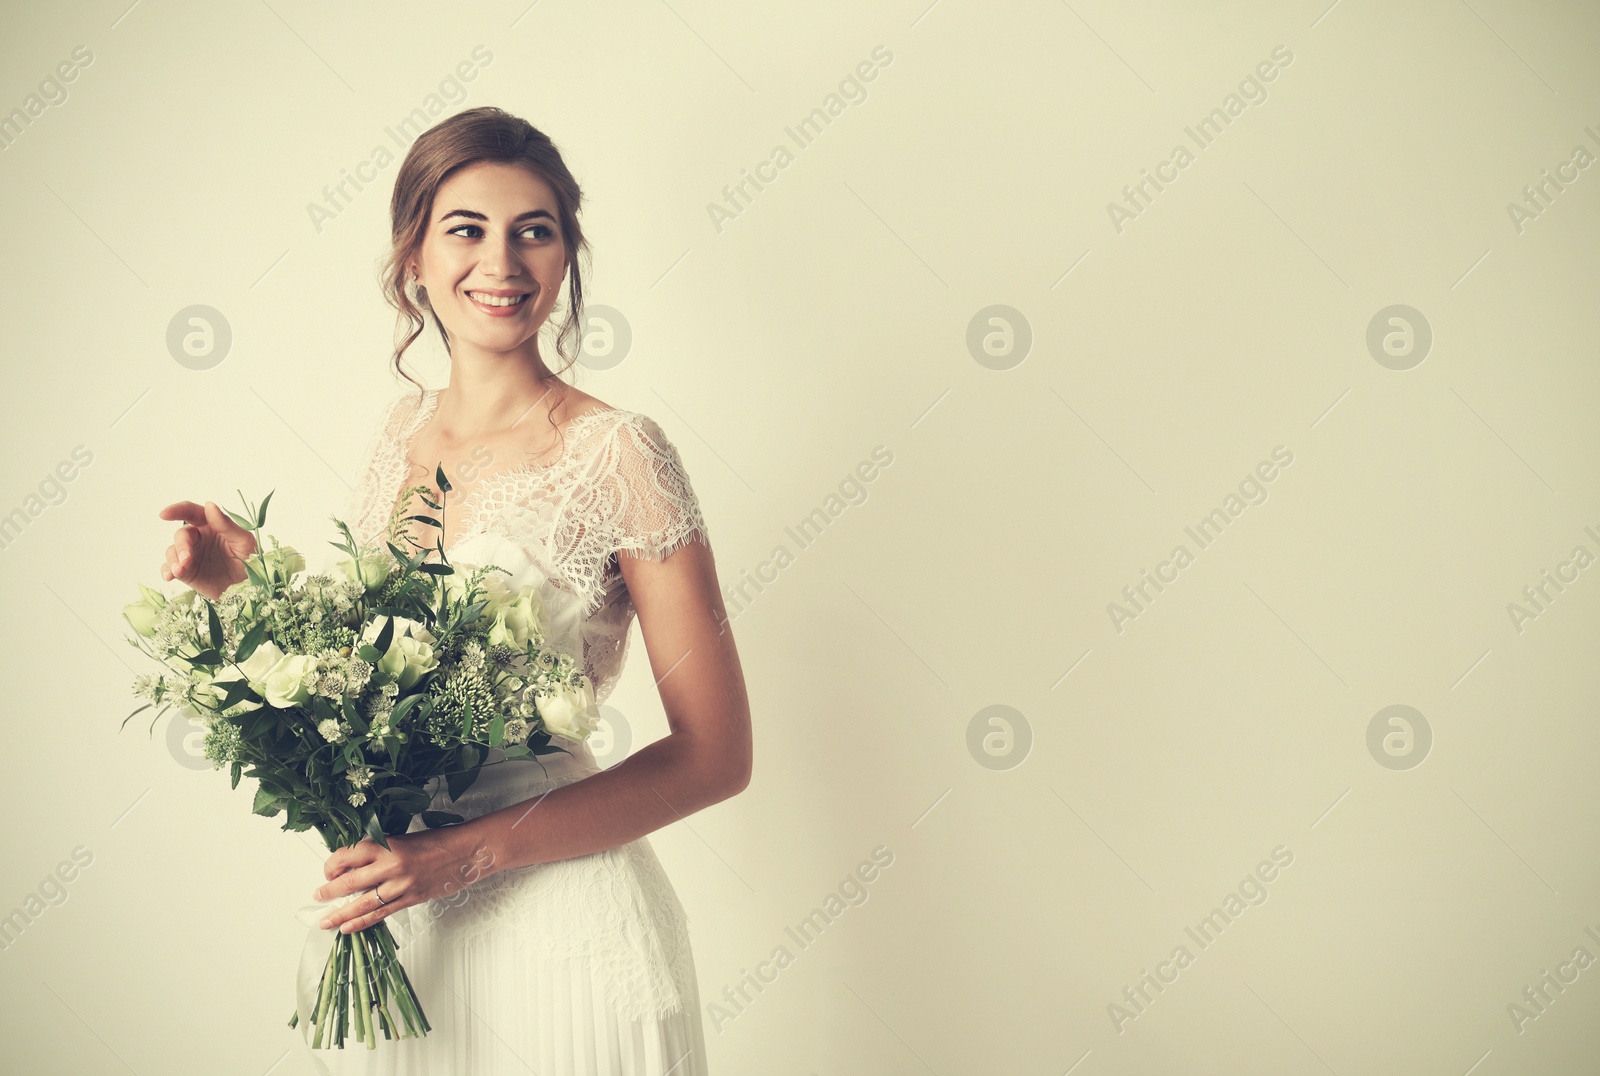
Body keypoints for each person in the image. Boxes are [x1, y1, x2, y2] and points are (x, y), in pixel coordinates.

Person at [154, 106, 752, 1074]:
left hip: (565, 928)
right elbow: (370, 671)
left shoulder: (622, 453)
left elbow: (716, 753)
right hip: (407, 932)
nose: (502, 262)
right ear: (413, 260)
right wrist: (248, 587)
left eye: (535, 230)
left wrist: (463, 854)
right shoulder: (399, 433)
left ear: (565, 256)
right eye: (467, 229)